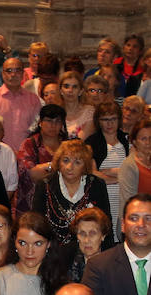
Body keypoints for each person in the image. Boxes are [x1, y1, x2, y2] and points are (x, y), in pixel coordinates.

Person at [32, 139, 111, 246]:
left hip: (89, 248)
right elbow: (36, 224)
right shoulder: (45, 185)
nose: (70, 167)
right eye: (65, 160)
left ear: (85, 165)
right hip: (53, 250)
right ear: (58, 162)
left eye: (77, 162)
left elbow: (106, 225)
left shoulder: (96, 185)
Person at [86, 101, 129, 240]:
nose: (109, 123)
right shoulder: (92, 142)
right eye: (105, 119)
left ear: (119, 119)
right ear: (98, 121)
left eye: (113, 119)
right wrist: (121, 177)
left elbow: (133, 170)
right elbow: (92, 174)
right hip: (103, 197)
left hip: (124, 196)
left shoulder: (127, 139)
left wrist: (112, 172)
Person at [0, 57, 42, 150]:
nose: (13, 74)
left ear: (23, 73)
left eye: (17, 70)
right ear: (3, 74)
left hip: (27, 154)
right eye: (9, 71)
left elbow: (36, 131)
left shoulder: (33, 100)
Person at [17, 103, 67, 217]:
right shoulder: (30, 144)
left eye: (58, 121)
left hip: (61, 202)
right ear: (40, 122)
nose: (53, 125)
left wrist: (46, 168)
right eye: (49, 121)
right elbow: (31, 174)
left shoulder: (68, 145)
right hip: (32, 203)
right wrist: (57, 165)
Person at [68, 207, 111, 281]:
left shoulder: (113, 264)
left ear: (103, 236)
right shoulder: (66, 263)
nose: (87, 240)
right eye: (82, 233)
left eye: (92, 233)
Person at [119, 119, 151, 201]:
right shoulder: (129, 165)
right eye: (143, 139)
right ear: (135, 142)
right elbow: (129, 200)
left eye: (150, 138)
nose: (148, 142)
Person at [59, 71, 94, 139]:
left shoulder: (89, 112)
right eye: (66, 86)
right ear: (61, 91)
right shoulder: (56, 113)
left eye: (74, 87)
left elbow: (81, 140)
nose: (70, 90)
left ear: (80, 91)